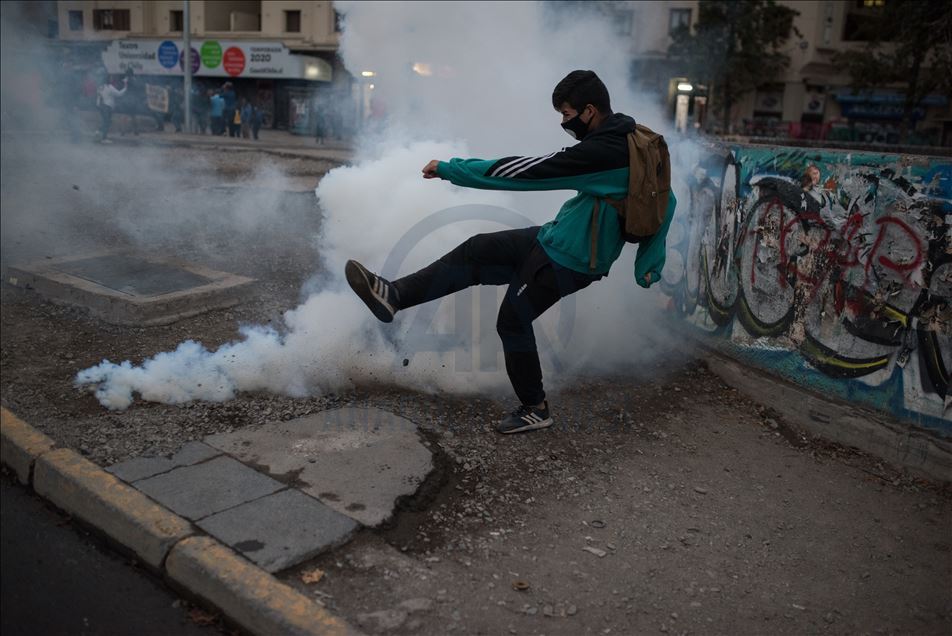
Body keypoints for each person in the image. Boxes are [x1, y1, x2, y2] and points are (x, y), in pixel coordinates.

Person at [345, 70, 676, 435]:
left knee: (512, 321)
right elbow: (667, 197)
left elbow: (527, 172)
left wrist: (452, 169)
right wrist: (649, 263)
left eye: (567, 114)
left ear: (590, 111)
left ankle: (535, 408)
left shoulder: (604, 153)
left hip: (569, 261)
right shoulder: (631, 137)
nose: (564, 122)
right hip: (554, 238)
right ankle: (393, 295)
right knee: (478, 249)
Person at [97, 74, 127, 143]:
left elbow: (98, 97)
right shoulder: (110, 87)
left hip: (101, 106)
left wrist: (98, 105)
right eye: (111, 78)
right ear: (108, 79)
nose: (112, 79)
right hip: (107, 106)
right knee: (107, 122)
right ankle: (103, 138)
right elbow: (119, 94)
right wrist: (125, 86)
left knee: (105, 121)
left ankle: (99, 133)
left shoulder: (100, 86)